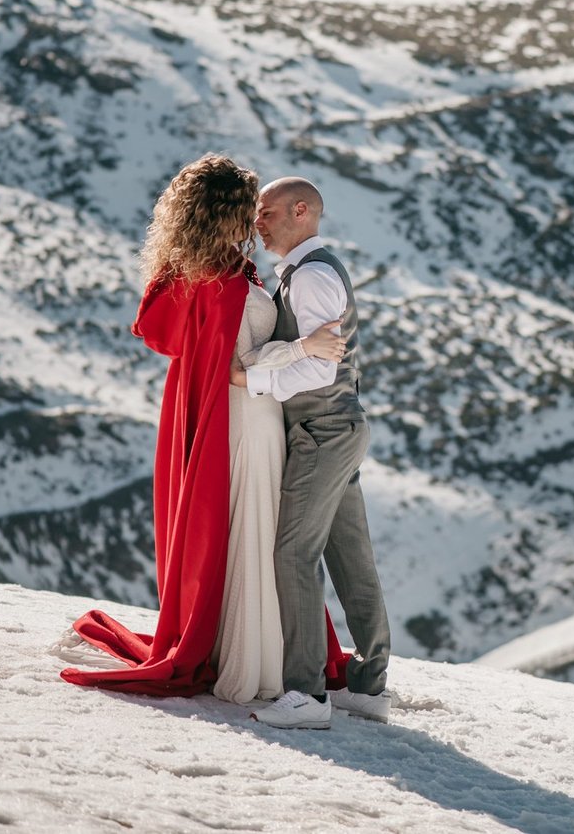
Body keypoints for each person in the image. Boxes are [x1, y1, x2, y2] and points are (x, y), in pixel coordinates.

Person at [52, 154, 350, 703]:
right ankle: (257, 658)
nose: (258, 222)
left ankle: (252, 648)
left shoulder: (204, 272)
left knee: (253, 532)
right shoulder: (220, 280)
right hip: (248, 417)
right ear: (227, 212)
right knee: (258, 531)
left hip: (244, 415)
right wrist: (303, 348)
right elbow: (238, 371)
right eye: (250, 210)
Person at [245, 177, 393, 729]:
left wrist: (253, 380)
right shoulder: (306, 273)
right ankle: (369, 686)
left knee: (293, 554)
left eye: (267, 212)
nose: (258, 221)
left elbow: (317, 367)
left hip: (321, 430)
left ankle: (306, 695)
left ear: (301, 211)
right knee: (350, 556)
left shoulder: (310, 278)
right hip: (337, 426)